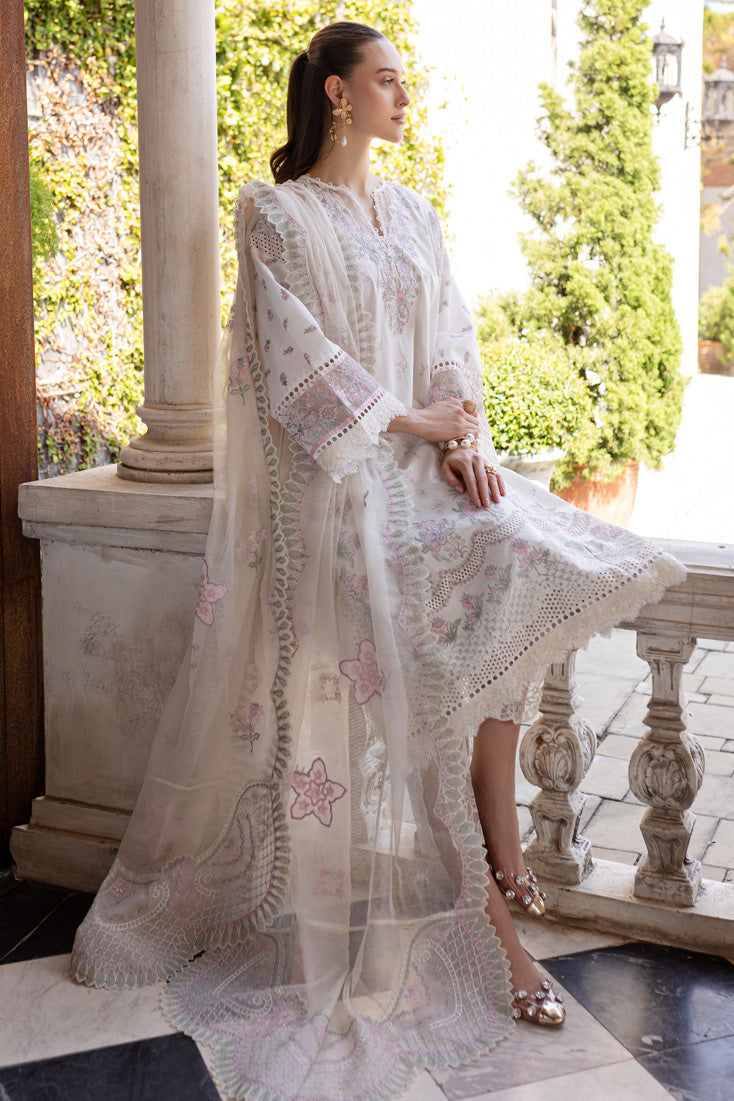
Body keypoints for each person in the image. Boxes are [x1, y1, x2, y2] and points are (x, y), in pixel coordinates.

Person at [71, 21, 686, 1101]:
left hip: (423, 477)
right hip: (342, 493)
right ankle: (501, 930)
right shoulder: (275, 214)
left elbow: (453, 340)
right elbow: (296, 369)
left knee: (525, 563)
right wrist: (412, 423)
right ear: (338, 94)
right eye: (388, 81)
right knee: (436, 684)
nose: (405, 98)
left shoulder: (413, 213)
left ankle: (504, 855)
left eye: (405, 81)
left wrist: (464, 441)